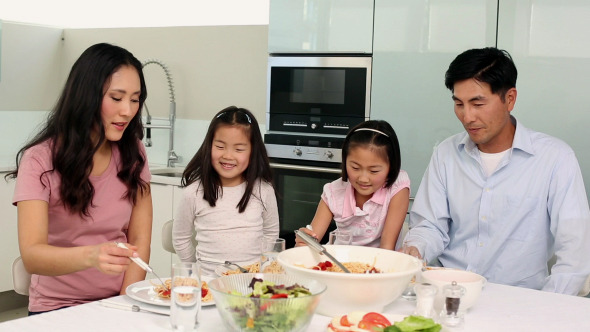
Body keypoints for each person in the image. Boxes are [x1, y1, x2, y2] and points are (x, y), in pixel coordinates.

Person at [402, 47, 590, 295]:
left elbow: (575, 253)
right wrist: (416, 247)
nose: (467, 116)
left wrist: (547, 308)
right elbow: (431, 226)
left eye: (478, 103)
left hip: (519, 300)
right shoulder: (446, 153)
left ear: (509, 99)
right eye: (459, 104)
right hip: (447, 292)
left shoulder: (555, 159)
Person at [7, 43, 153, 313]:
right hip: (56, 307)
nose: (128, 111)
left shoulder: (134, 154)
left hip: (118, 303)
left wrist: (123, 306)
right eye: (117, 98)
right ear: (86, 96)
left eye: (135, 99)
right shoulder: (39, 160)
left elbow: (140, 241)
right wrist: (93, 255)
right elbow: (33, 256)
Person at [172, 106, 279, 276]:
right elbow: (181, 238)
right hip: (207, 283)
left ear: (253, 151)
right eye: (220, 146)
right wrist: (196, 269)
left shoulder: (263, 190)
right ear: (209, 146)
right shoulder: (193, 192)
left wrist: (256, 267)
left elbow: (271, 232)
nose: (228, 156)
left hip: (250, 282)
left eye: (239, 149)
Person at [295, 120, 410, 249]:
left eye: (374, 171)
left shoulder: (397, 188)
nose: (363, 178)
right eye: (355, 168)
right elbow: (309, 245)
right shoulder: (333, 191)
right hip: (338, 261)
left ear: (391, 167)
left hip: (378, 263)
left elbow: (387, 248)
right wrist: (303, 243)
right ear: (345, 161)